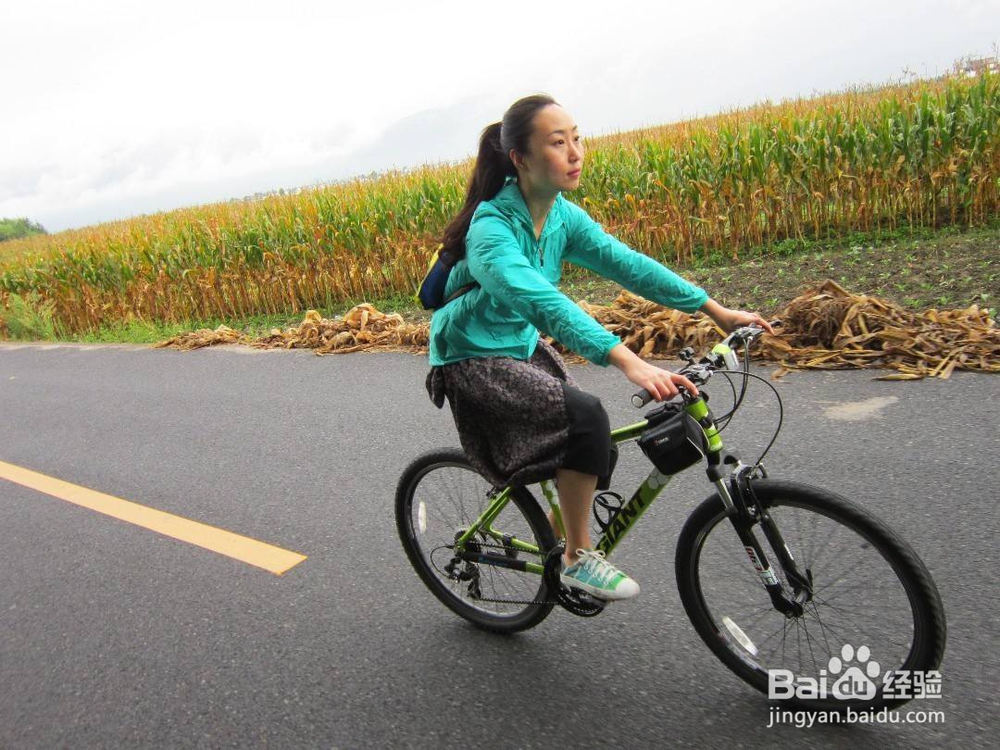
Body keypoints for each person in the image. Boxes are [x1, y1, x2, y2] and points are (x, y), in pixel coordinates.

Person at [426, 94, 772, 602]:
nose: (575, 153)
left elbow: (627, 264)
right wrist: (628, 360)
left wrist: (713, 309)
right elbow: (540, 300)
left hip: (517, 341)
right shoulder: (490, 230)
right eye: (557, 142)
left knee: (596, 441)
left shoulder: (561, 217)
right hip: (471, 354)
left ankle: (556, 544)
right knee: (585, 419)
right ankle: (576, 557)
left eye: (577, 138)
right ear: (520, 158)